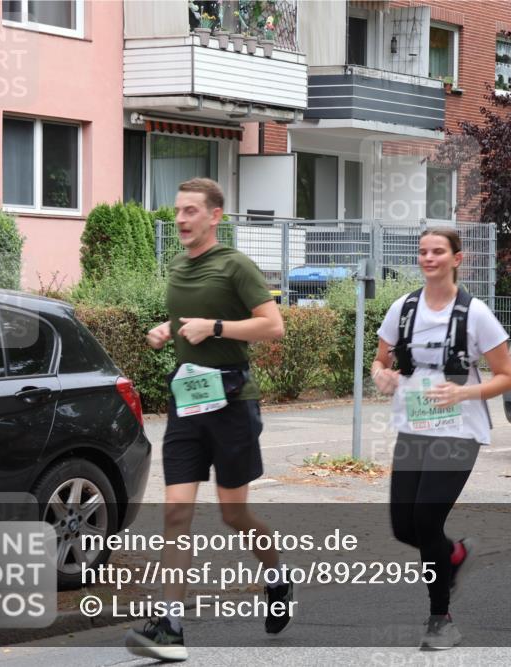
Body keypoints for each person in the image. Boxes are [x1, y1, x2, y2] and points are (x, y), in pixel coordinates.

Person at [125, 178, 291, 662]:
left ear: (215, 216)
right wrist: (167, 330)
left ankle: (277, 575)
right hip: (186, 404)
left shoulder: (235, 265)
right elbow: (186, 324)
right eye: (178, 210)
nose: (180, 219)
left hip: (231, 405)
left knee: (233, 514)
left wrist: (215, 328)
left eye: (191, 211)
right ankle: (170, 627)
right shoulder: (177, 265)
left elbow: (273, 326)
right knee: (176, 512)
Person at [371, 229, 511, 650]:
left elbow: (507, 377)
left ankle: (440, 620)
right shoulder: (404, 308)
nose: (429, 258)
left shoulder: (476, 314)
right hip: (413, 428)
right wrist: (381, 376)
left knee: (427, 521)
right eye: (423, 252)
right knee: (404, 527)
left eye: (438, 252)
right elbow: (380, 361)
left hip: (459, 431)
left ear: (457, 259)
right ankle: (453, 555)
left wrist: (463, 391)